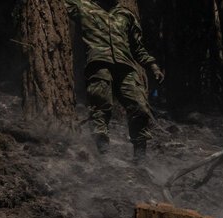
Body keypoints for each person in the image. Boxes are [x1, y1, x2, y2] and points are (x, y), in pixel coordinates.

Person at [65, 0, 164, 161]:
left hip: (126, 67)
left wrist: (152, 65)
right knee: (101, 105)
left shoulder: (126, 15)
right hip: (99, 64)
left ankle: (140, 157)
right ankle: (102, 152)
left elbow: (137, 47)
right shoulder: (82, 6)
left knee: (140, 106)